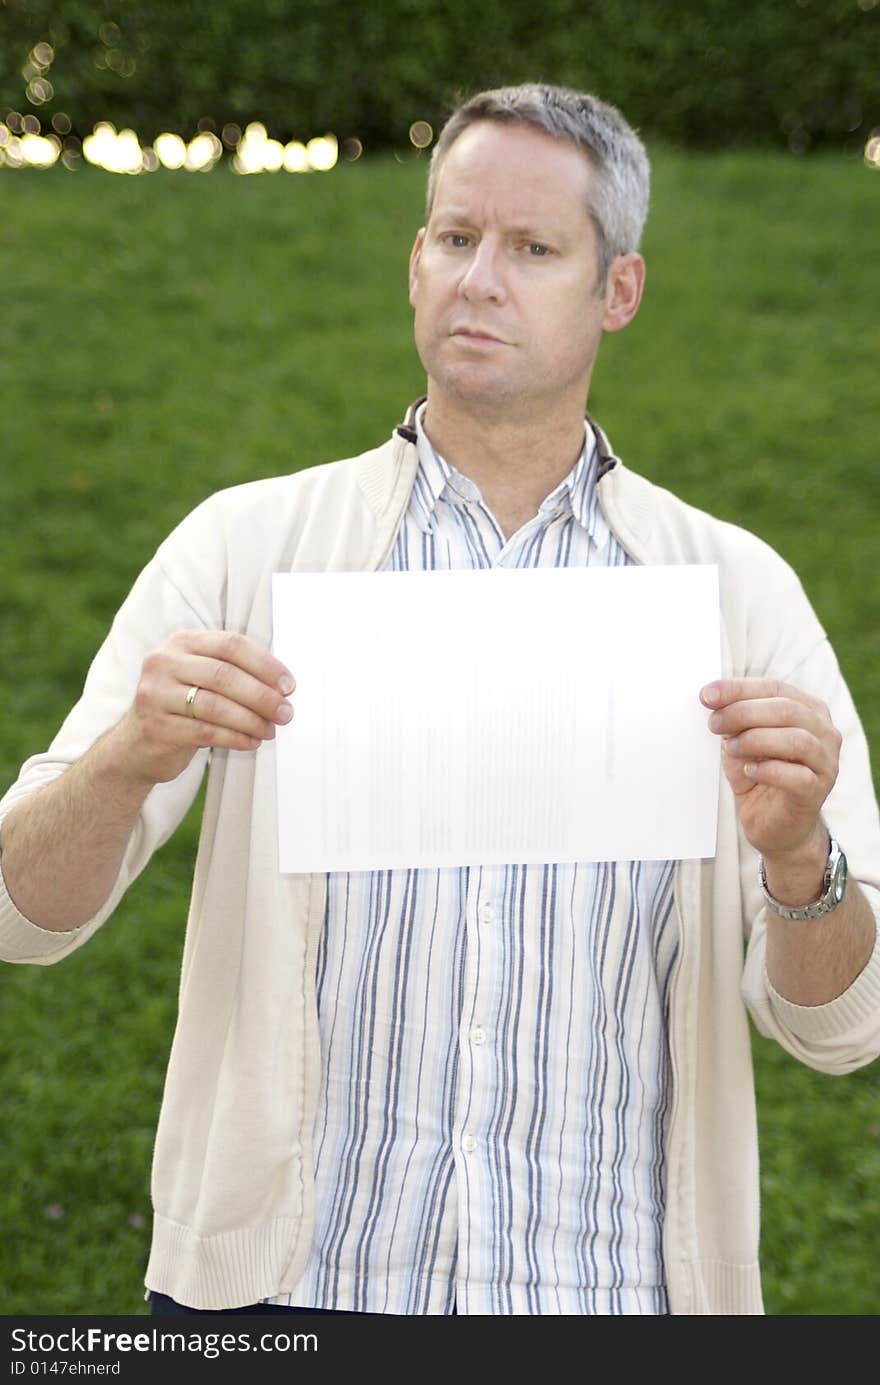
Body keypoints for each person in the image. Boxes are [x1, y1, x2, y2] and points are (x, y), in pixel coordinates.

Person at [1, 82, 879, 1318]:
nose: (479, 277)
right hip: (278, 1302)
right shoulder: (246, 550)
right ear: (414, 264)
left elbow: (844, 1025)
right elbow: (18, 917)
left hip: (615, 1294)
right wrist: (125, 759)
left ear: (615, 291)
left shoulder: (736, 593)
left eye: (532, 249)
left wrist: (800, 858)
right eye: (456, 238)